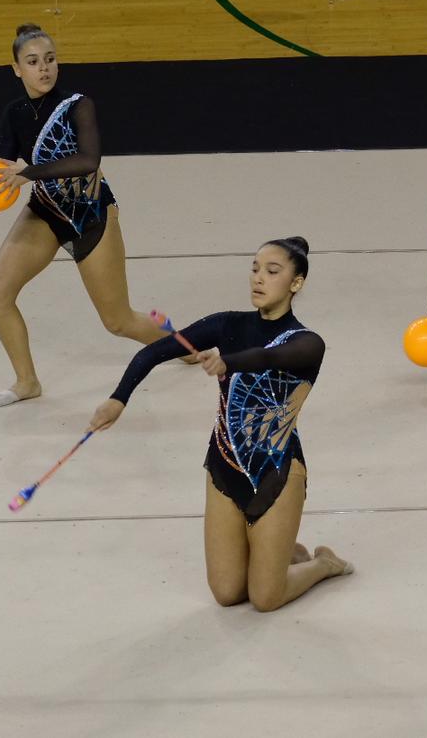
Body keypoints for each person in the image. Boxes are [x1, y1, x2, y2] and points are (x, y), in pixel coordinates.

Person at [89, 238, 353, 611]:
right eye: (255, 268)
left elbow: (269, 356)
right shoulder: (227, 324)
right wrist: (119, 397)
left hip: (276, 471)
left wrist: (231, 362)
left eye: (273, 272)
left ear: (297, 283)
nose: (259, 279)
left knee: (266, 598)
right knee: (228, 593)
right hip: (223, 465)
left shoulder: (308, 342)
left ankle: (322, 564)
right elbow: (155, 351)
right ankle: (280, 552)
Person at [0, 23, 166, 407]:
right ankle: (27, 382)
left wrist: (26, 174)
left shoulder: (79, 105)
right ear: (16, 69)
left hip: (92, 215)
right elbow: (2, 170)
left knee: (118, 321)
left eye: (50, 59)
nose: (43, 68)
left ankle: (184, 346)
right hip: (46, 212)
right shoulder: (13, 115)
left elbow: (87, 160)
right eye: (32, 62)